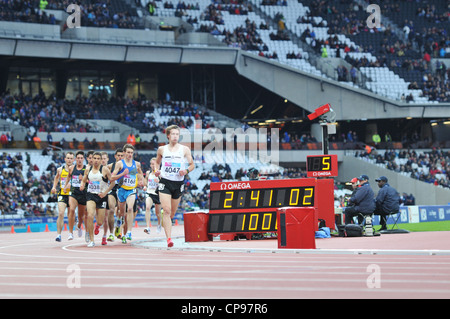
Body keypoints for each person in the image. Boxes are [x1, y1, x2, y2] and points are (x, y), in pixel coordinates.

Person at [155, 125, 195, 247]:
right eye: (173, 134)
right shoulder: (162, 149)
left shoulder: (184, 149)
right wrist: (157, 170)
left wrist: (186, 171)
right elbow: (157, 162)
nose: (175, 136)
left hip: (178, 183)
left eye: (177, 134)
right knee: (166, 210)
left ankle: (165, 218)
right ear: (168, 136)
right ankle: (169, 239)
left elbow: (192, 165)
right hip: (165, 181)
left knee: (171, 214)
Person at [80, 152, 115, 247]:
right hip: (91, 195)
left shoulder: (105, 170)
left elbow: (112, 183)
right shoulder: (88, 169)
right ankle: (92, 240)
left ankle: (98, 226)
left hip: (101, 197)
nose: (95, 160)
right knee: (90, 215)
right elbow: (84, 179)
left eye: (98, 158)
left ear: (100, 160)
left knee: (100, 221)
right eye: (94, 158)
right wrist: (82, 184)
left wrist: (105, 192)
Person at [111, 144, 144, 243]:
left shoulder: (136, 164)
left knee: (130, 209)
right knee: (121, 213)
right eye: (128, 152)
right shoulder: (120, 164)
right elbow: (112, 177)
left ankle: (129, 232)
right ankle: (118, 223)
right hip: (121, 190)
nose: (130, 154)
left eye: (131, 153)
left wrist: (140, 180)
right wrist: (122, 174)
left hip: (131, 190)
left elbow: (140, 173)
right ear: (124, 153)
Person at [51, 151, 74, 242]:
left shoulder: (75, 170)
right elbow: (56, 177)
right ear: (65, 159)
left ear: (73, 160)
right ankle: (59, 235)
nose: (69, 160)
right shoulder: (60, 169)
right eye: (68, 158)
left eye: (71, 158)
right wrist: (54, 186)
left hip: (72, 194)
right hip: (62, 194)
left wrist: (69, 185)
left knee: (70, 215)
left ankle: (70, 233)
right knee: (61, 213)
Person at [65, 150, 87, 240]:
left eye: (81, 158)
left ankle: (79, 224)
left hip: (83, 194)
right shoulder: (71, 168)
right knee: (72, 210)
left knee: (81, 215)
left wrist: (83, 180)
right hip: (73, 193)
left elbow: (90, 182)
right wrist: (66, 185)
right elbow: (68, 177)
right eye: (78, 158)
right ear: (75, 159)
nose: (80, 160)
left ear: (83, 159)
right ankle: (70, 233)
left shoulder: (86, 169)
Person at [144, 157, 162, 234]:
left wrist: (159, 181)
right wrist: (145, 186)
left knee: (157, 213)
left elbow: (164, 182)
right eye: (151, 164)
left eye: (154, 164)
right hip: (150, 193)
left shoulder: (160, 173)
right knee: (147, 207)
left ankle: (159, 224)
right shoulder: (148, 173)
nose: (152, 165)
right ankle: (148, 227)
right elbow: (145, 181)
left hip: (158, 194)